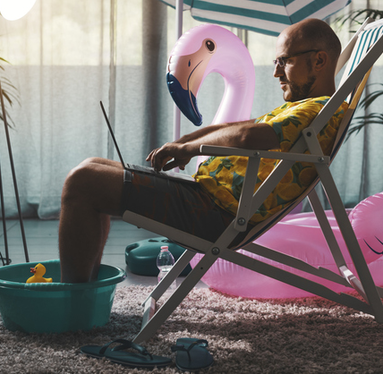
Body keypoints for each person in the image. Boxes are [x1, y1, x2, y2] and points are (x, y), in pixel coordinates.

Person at [58, 18, 349, 283]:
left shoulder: (317, 110)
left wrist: (189, 147)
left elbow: (250, 134)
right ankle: (84, 289)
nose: (276, 72)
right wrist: (184, 142)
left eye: (284, 61)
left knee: (83, 180)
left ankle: (73, 301)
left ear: (319, 60)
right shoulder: (301, 108)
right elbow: (244, 124)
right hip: (206, 199)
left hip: (216, 214)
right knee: (93, 165)